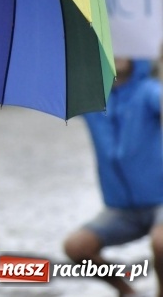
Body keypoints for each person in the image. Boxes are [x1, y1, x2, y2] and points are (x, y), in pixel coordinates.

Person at [63, 57, 163, 297]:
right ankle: (127, 292)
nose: (119, 54)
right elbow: (58, 88)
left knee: (161, 242)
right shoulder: (92, 100)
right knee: (76, 247)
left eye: (125, 48)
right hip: (121, 209)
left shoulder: (149, 91)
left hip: (160, 199)